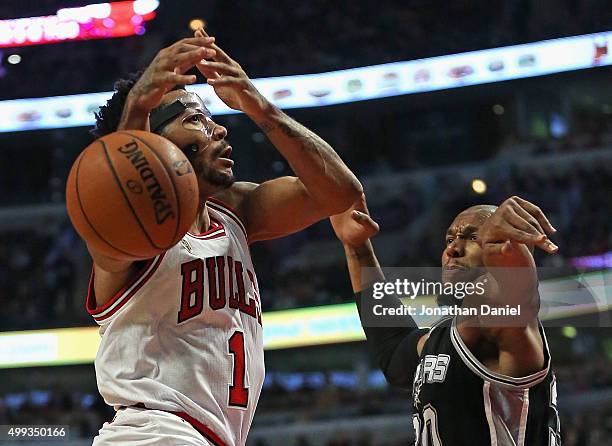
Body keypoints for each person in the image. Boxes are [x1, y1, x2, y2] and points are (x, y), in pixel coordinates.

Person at [86, 29, 362, 446]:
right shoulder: (126, 226)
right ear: (154, 142)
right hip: (152, 434)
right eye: (195, 119)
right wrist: (138, 108)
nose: (219, 130)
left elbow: (340, 193)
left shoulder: (236, 211)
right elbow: (124, 186)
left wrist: (259, 105)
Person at [331, 195, 562, 445]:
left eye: (473, 237)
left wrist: (513, 254)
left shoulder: (504, 323)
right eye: (450, 239)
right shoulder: (444, 336)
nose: (453, 248)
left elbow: (516, 295)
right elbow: (393, 350)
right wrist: (357, 247)